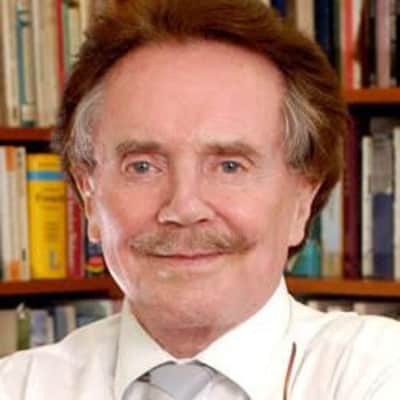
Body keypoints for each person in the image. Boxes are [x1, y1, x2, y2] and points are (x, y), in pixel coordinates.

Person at [1, 0, 400, 398]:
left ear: (302, 200)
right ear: (89, 197)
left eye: (230, 166)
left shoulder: (380, 372)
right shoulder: (18, 385)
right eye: (142, 166)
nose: (184, 207)